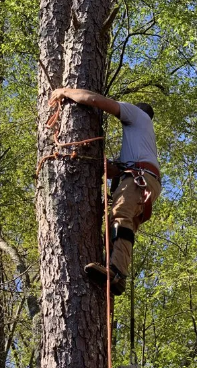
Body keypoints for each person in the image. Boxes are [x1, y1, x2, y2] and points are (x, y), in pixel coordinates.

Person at [49, 88, 161, 295]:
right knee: (119, 224)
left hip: (140, 178)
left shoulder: (137, 115)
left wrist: (65, 92)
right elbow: (117, 170)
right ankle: (115, 270)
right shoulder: (141, 139)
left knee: (121, 215)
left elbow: (94, 99)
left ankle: (116, 272)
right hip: (144, 178)